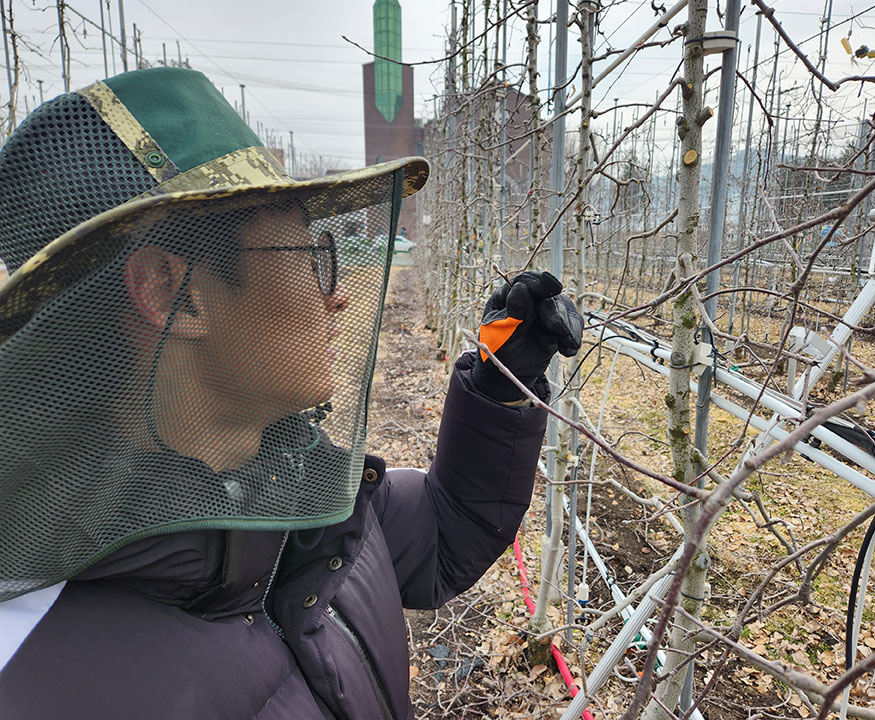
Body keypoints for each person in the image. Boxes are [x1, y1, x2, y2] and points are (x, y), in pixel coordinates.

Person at [0, 67, 582, 719]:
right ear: (173, 290)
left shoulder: (297, 491)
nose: (336, 295)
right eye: (309, 257)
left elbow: (446, 532)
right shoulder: (36, 678)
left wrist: (503, 383)